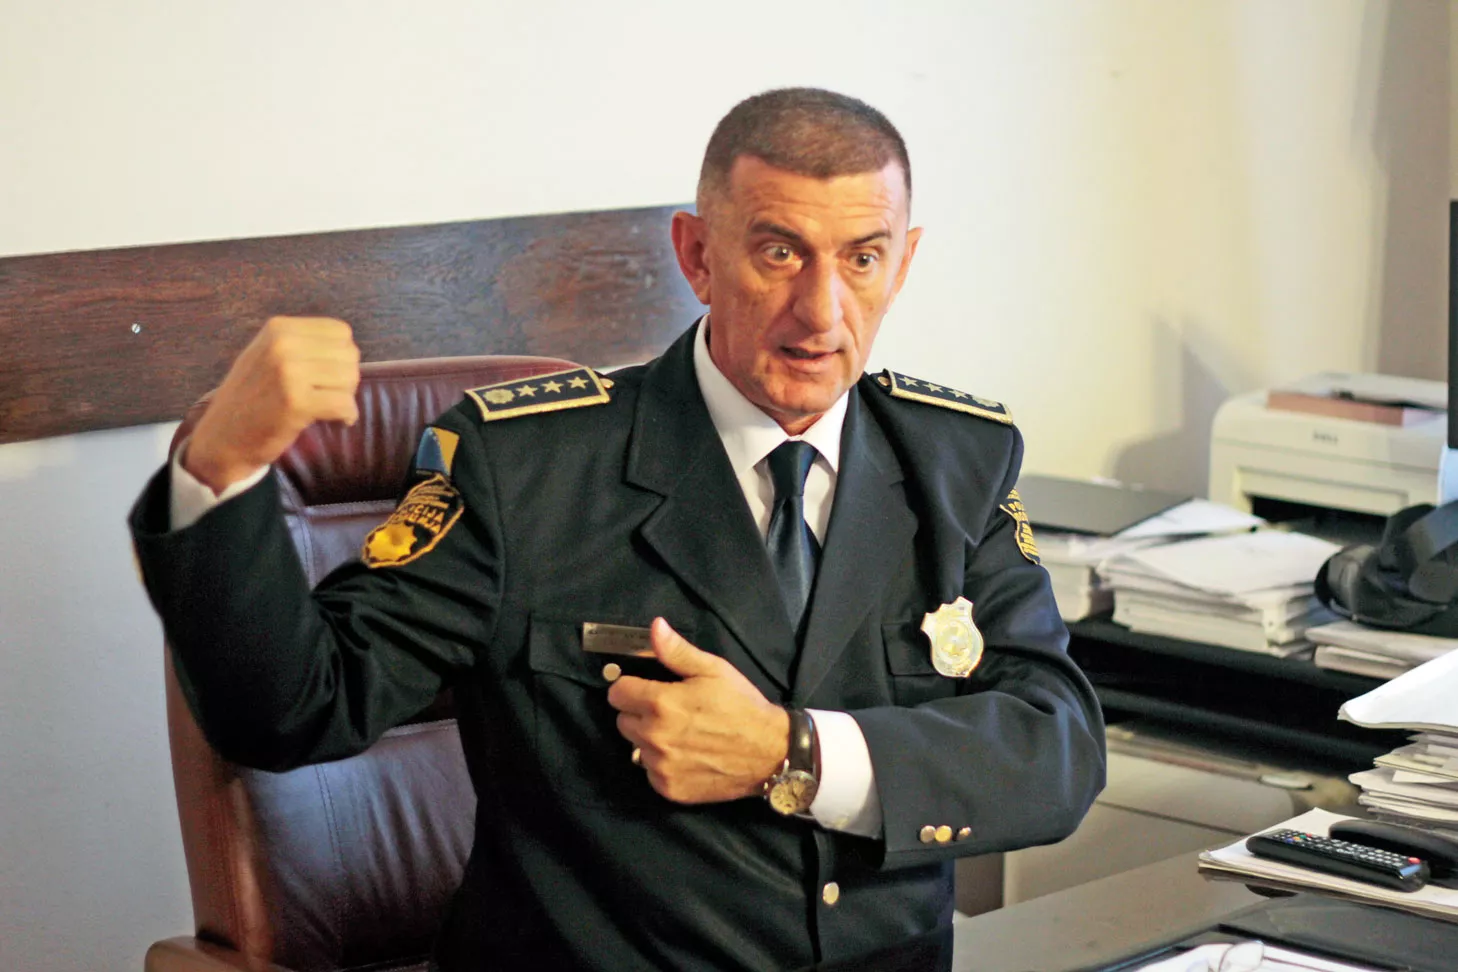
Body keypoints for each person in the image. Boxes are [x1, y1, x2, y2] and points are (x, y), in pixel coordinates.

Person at [130, 87, 1105, 972]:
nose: (822, 311)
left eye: (861, 258)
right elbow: (296, 708)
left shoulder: (955, 460)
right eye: (778, 252)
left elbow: (1056, 752)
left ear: (903, 263)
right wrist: (222, 470)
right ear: (697, 256)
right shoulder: (529, 469)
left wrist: (791, 752)